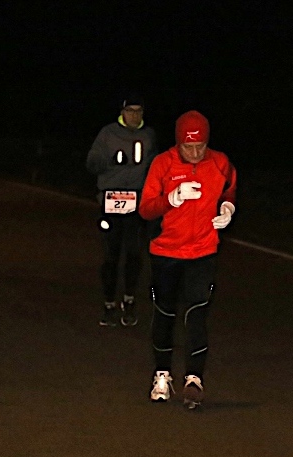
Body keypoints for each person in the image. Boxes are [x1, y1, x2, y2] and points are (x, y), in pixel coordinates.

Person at [138, 110, 237, 410]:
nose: (194, 153)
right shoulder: (162, 164)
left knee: (197, 313)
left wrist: (228, 209)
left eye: (200, 146)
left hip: (202, 252)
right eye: (188, 147)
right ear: (178, 143)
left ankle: (194, 379)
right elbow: (146, 208)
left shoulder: (220, 163)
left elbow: (229, 189)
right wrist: (172, 198)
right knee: (164, 312)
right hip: (165, 252)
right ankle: (162, 375)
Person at [86, 92, 158, 327]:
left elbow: (155, 166)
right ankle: (109, 303)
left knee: (134, 253)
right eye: (130, 111)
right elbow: (91, 163)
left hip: (136, 201)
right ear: (122, 112)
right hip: (111, 200)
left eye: (138, 111)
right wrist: (109, 160)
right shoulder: (108, 134)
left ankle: (129, 300)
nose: (134, 116)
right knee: (111, 255)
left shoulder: (149, 135)